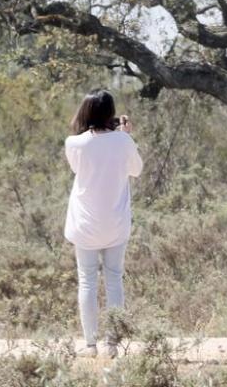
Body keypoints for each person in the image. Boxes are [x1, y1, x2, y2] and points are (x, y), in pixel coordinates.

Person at [64, 89, 143, 358]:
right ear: (111, 113)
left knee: (86, 281)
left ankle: (90, 345)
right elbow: (137, 170)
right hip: (116, 222)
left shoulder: (74, 143)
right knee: (114, 280)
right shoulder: (123, 141)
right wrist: (126, 135)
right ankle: (112, 344)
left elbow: (78, 169)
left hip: (85, 223)